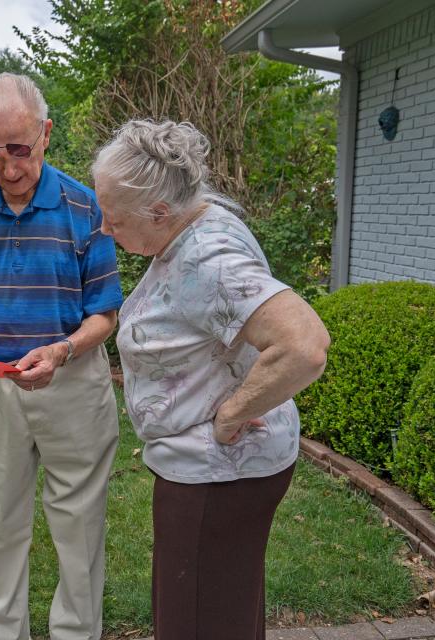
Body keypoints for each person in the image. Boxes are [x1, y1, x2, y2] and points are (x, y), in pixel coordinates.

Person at [91, 119, 330, 640]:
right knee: (225, 612)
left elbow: (305, 346)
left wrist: (230, 415)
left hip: (217, 475)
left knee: (196, 623)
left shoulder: (207, 258)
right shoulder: (197, 225)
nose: (105, 230)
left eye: (112, 219)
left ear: (159, 211)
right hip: (221, 473)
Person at [0, 73, 124, 640]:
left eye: (19, 149)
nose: (8, 168)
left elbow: (105, 314)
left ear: (46, 135)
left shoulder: (86, 208)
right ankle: (2, 631)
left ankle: (76, 633)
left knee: (79, 522)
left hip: (73, 384)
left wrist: (62, 350)